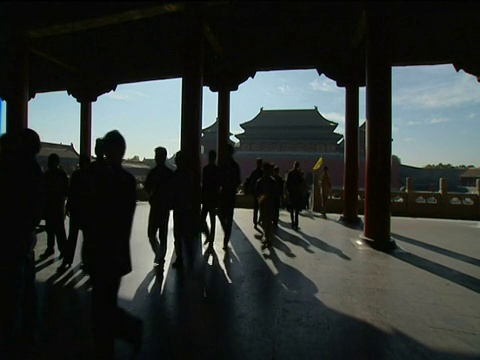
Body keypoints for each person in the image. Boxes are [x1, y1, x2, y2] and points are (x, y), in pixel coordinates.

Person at [82, 130, 142, 360]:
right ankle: (125, 332)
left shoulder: (104, 178)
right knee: (104, 304)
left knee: (101, 307)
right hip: (114, 251)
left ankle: (118, 339)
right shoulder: (125, 180)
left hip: (104, 250)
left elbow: (94, 210)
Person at [0, 129, 44, 359]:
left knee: (10, 287)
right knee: (25, 287)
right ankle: (27, 335)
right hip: (23, 235)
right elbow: (36, 205)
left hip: (7, 234)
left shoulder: (7, 168)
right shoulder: (32, 169)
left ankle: (9, 334)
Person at [58, 154, 91, 272]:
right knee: (87, 239)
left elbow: (71, 192)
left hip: (76, 210)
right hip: (87, 211)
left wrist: (68, 207)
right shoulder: (91, 176)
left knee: (72, 237)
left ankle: (67, 260)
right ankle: (86, 262)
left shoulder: (76, 175)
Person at [144, 146, 174, 267]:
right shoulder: (169, 173)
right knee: (162, 234)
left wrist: (151, 196)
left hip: (156, 205)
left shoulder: (153, 173)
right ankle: (160, 255)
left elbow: (147, 188)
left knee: (152, 233)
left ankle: (159, 254)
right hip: (164, 206)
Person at [40, 153, 69, 259]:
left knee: (53, 229)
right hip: (56, 206)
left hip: (52, 206)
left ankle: (52, 248)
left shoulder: (47, 175)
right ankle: (62, 250)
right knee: (57, 230)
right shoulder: (62, 175)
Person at [171, 150, 193, 268]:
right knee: (184, 235)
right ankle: (189, 257)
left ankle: (180, 257)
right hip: (185, 207)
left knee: (179, 235)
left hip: (179, 207)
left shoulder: (176, 174)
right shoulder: (188, 174)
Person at [218, 144, 241, 249]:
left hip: (227, 193)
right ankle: (227, 234)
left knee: (225, 215)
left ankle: (226, 238)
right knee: (224, 215)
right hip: (228, 193)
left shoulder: (224, 165)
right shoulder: (234, 166)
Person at [200, 149, 221, 247]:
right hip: (213, 198)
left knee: (203, 219)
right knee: (211, 220)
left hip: (207, 197)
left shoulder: (206, 169)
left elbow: (204, 184)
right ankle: (210, 237)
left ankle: (209, 236)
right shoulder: (217, 170)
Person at [255, 162, 277, 249]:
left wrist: (260, 199)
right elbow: (275, 194)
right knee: (268, 222)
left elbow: (257, 193)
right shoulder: (272, 182)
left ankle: (266, 238)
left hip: (263, 204)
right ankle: (268, 239)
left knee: (265, 222)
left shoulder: (259, 181)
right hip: (270, 204)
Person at [285, 161, 304, 230]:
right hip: (297, 193)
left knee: (292, 209)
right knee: (296, 210)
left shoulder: (290, 173)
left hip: (292, 193)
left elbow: (287, 183)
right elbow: (301, 183)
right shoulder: (299, 174)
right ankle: (296, 223)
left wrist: (287, 191)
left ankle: (293, 222)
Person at [245, 158, 263, 228]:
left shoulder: (254, 172)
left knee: (255, 208)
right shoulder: (262, 172)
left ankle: (255, 221)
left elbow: (250, 181)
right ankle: (260, 219)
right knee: (261, 207)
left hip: (256, 192)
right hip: (261, 193)